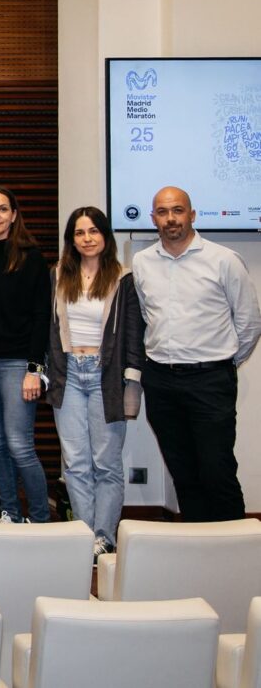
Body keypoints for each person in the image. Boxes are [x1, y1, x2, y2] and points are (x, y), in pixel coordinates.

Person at [132, 186, 260, 522]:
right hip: (160, 380)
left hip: (210, 380)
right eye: (162, 212)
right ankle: (196, 543)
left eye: (177, 210)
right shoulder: (142, 262)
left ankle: (234, 546)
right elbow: (148, 314)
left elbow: (249, 322)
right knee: (183, 471)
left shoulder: (224, 260)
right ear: (153, 218)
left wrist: (224, 362)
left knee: (217, 469)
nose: (170, 219)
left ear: (192, 214)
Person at [46, 207, 143, 555]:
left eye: (93, 231)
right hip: (68, 373)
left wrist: (132, 378)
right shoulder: (58, 275)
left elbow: (133, 332)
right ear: (71, 240)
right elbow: (49, 329)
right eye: (79, 233)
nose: (87, 239)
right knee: (75, 463)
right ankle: (83, 536)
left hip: (107, 375)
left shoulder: (123, 277)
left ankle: (105, 537)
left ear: (105, 235)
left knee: (106, 464)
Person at [0, 186, 52, 523]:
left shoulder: (31, 258)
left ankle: (41, 519)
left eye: (3, 209)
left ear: (14, 215)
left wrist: (35, 369)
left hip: (17, 363)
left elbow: (42, 317)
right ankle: (10, 514)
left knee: (20, 445)